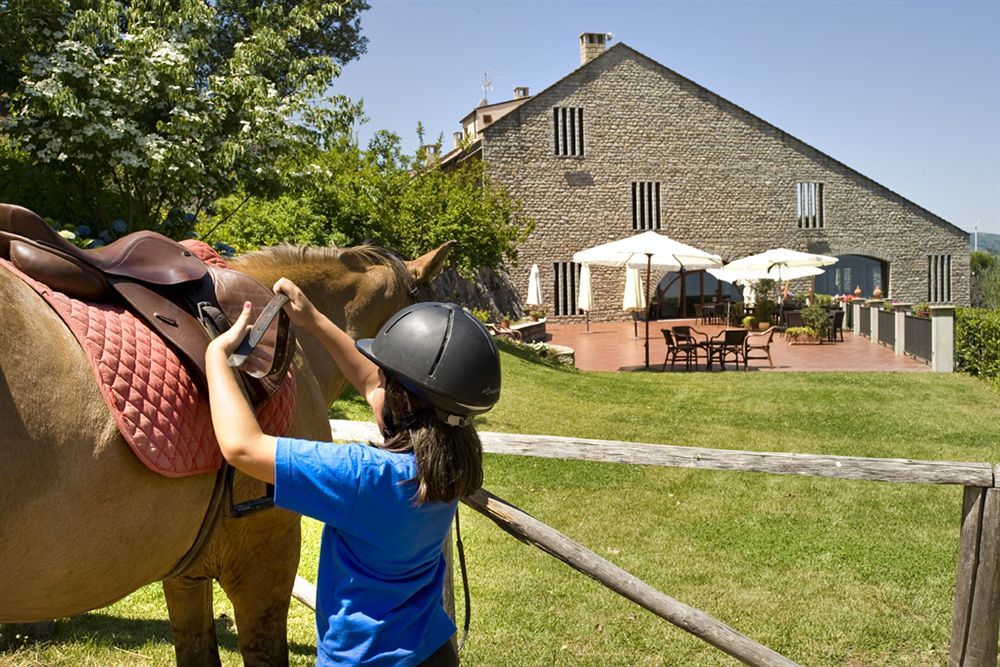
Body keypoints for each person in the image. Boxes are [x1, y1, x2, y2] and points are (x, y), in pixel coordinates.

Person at [204, 278, 502, 666]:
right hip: (433, 651)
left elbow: (243, 447)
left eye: (388, 379)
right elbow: (368, 381)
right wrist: (312, 319)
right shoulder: (449, 459)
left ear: (404, 401)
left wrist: (215, 357)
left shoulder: (363, 477)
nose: (378, 383)